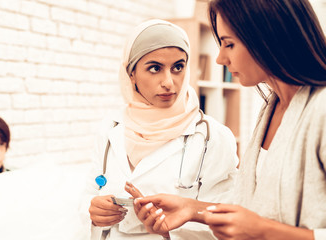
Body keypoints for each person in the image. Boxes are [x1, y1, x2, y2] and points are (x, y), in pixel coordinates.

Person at [131, 0, 326, 239]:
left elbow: (259, 224)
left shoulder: (321, 111)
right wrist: (193, 209)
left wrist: (264, 231)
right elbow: (255, 207)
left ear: (269, 37)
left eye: (229, 44)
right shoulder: (272, 108)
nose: (220, 59)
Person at [86, 19, 239, 239]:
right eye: (155, 68)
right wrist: (92, 210)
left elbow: (226, 220)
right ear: (131, 74)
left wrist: (169, 231)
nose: (169, 82)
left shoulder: (213, 137)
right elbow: (89, 189)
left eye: (178, 67)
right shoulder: (111, 127)